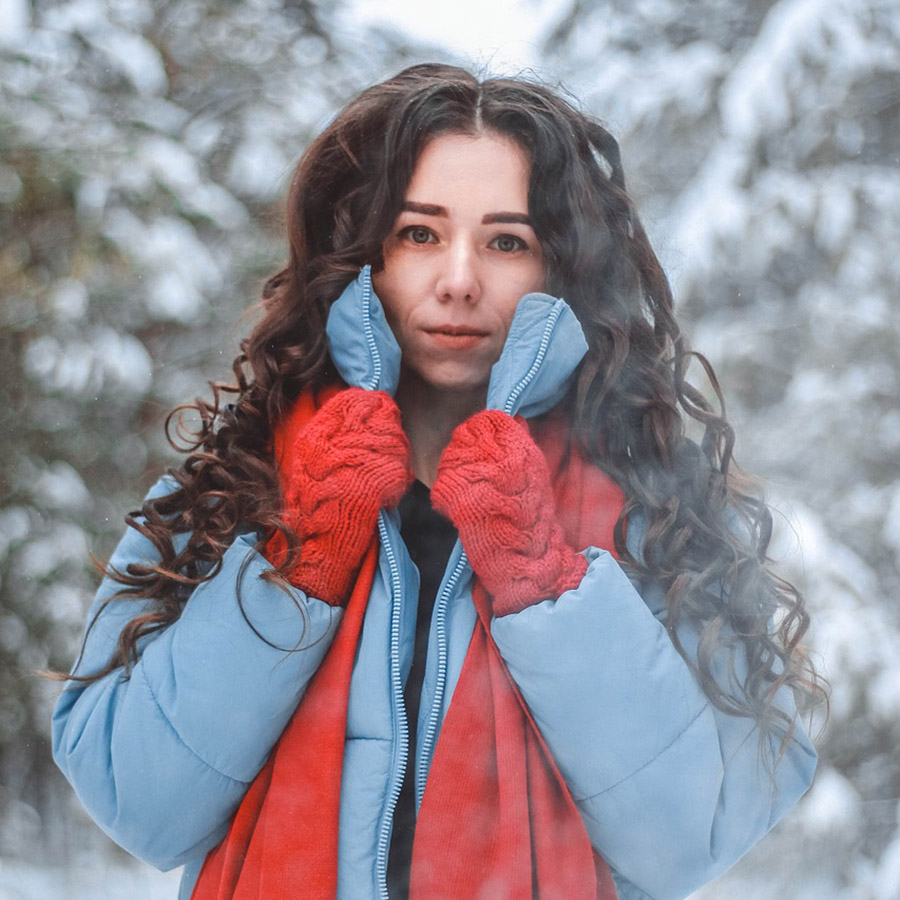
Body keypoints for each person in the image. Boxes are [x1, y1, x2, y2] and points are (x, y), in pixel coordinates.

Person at [51, 63, 824, 900]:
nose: (459, 279)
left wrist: (549, 590)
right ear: (365, 252)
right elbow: (136, 802)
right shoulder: (238, 482)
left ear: (559, 270)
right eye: (419, 233)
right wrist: (296, 567)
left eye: (506, 241)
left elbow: (693, 837)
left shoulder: (651, 507)